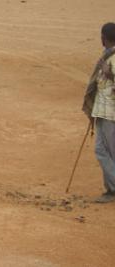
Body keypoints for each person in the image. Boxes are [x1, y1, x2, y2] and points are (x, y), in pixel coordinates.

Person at [82, 22, 115, 203]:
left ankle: (113, 188)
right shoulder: (107, 56)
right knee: (105, 151)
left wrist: (109, 75)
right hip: (103, 112)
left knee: (105, 151)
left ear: (105, 38)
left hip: (111, 114)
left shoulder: (113, 58)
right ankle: (111, 190)